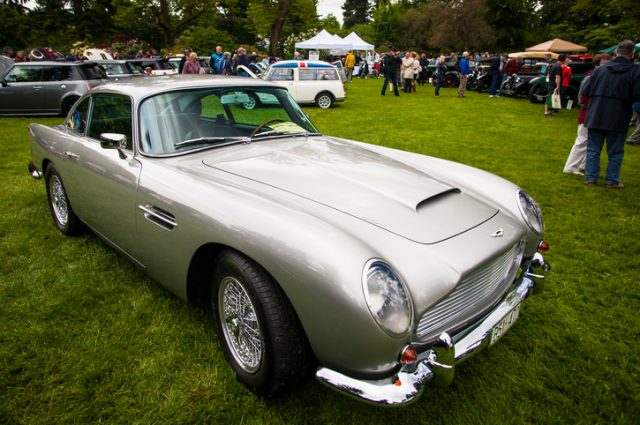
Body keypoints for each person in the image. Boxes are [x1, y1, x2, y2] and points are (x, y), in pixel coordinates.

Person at [582, 40, 640, 189]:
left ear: (616, 52)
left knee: (593, 149)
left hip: (597, 113)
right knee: (615, 151)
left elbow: (586, 91)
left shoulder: (600, 70)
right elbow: (637, 93)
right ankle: (612, 180)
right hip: (618, 115)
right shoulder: (635, 71)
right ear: (632, 54)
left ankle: (590, 178)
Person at [563, 54, 610, 175]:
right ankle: (571, 166)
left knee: (591, 142)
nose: (607, 63)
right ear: (597, 63)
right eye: (604, 61)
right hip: (588, 114)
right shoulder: (590, 77)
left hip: (594, 113)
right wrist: (586, 107)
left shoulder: (600, 76)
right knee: (582, 141)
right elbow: (582, 96)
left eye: (608, 60)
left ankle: (582, 166)